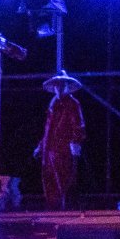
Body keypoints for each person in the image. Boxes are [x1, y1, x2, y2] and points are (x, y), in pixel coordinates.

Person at [34, 72, 86, 209]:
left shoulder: (73, 104)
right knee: (49, 180)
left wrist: (75, 144)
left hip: (63, 149)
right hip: (49, 148)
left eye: (62, 85)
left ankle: (62, 210)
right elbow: (47, 128)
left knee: (63, 180)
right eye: (57, 85)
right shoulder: (53, 103)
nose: (59, 88)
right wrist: (41, 146)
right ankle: (52, 209)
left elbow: (78, 126)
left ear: (68, 86)